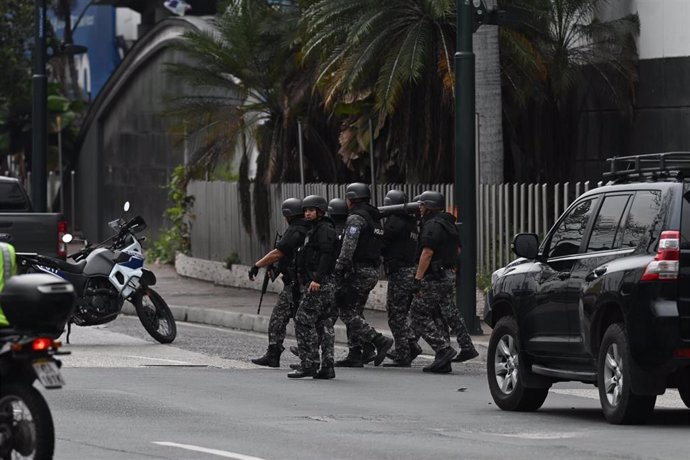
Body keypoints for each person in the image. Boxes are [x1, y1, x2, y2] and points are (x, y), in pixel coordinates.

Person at [410, 190, 475, 373]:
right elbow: (459, 250)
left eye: (422, 204)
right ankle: (461, 349)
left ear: (429, 206)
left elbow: (427, 252)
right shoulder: (448, 223)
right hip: (447, 273)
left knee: (417, 313)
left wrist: (418, 278)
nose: (420, 208)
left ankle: (443, 349)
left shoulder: (432, 224)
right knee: (445, 312)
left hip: (435, 276)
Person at [333, 183, 393, 367]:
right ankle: (357, 353)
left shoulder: (355, 219)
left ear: (350, 199)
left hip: (357, 271)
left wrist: (339, 267)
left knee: (346, 310)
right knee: (356, 311)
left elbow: (348, 246)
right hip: (373, 270)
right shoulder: (374, 218)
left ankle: (378, 340)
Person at [249, 198, 311, 367]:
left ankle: (275, 354)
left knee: (279, 318)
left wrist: (257, 265)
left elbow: (278, 253)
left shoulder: (296, 229)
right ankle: (308, 356)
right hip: (304, 281)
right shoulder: (309, 228)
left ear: (288, 214)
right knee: (302, 319)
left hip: (295, 284)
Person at [289, 195, 338, 379]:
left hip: (319, 283)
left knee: (302, 319)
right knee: (323, 322)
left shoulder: (324, 228)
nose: (307, 213)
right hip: (322, 282)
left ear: (320, 211)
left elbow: (326, 255)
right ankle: (327, 366)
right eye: (306, 210)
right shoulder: (316, 228)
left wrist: (317, 279)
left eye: (311, 210)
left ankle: (308, 363)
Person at [380, 190, 422, 367]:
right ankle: (408, 344)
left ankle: (404, 351)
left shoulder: (394, 222)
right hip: (409, 270)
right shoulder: (411, 223)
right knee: (401, 312)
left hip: (399, 271)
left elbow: (383, 243)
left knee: (395, 314)